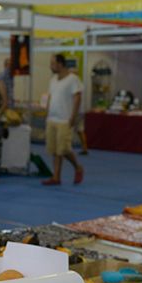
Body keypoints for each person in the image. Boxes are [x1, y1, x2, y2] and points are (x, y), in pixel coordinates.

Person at [42, 53, 84, 186]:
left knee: (64, 149)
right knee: (54, 150)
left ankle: (78, 167)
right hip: (52, 118)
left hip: (64, 119)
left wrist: (73, 116)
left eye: (53, 63)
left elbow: (77, 98)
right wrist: (47, 113)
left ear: (60, 64)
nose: (51, 66)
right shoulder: (53, 80)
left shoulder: (73, 79)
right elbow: (50, 97)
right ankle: (56, 177)